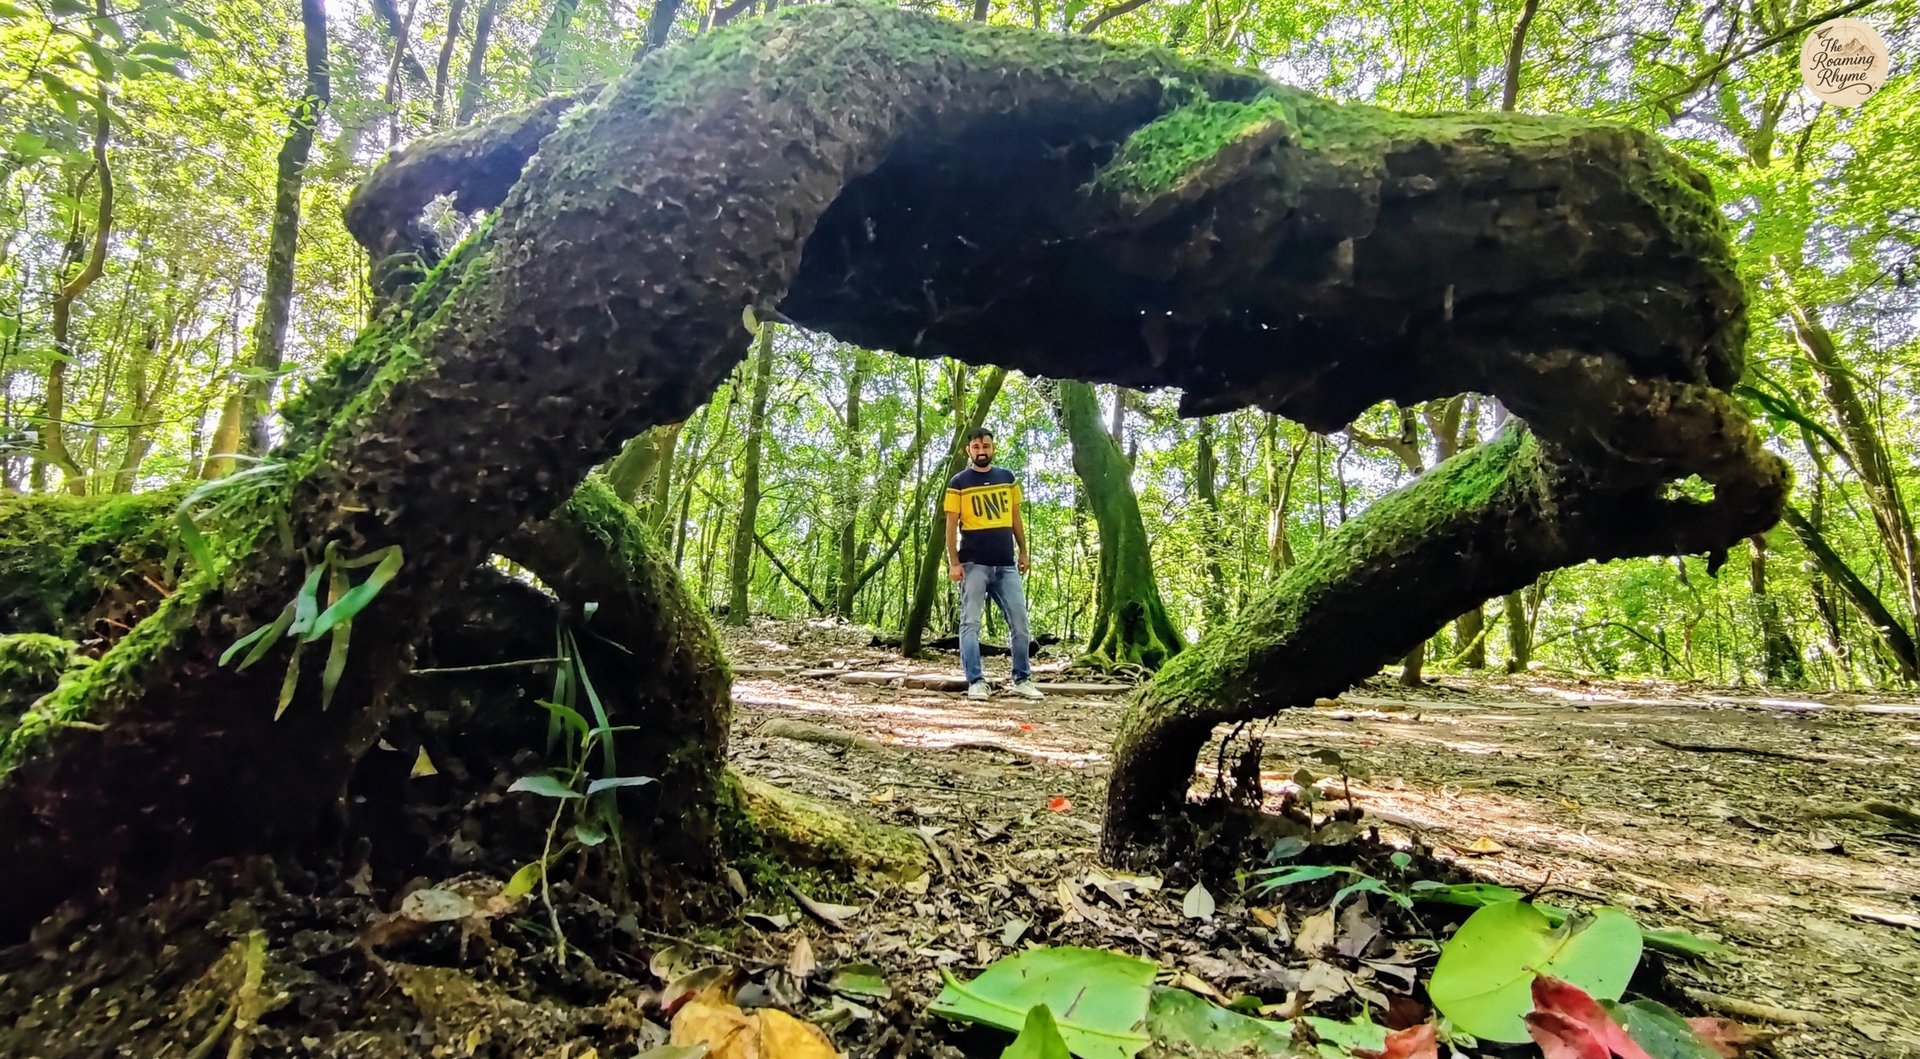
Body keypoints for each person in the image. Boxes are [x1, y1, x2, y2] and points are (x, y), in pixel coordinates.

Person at [944, 428, 1045, 701]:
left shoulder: (1007, 478)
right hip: (974, 564)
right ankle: (976, 681)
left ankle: (1022, 680)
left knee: (1021, 624)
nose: (981, 451)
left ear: (993, 448)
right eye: (976, 447)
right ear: (969, 451)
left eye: (985, 446)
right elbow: (951, 526)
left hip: (1006, 564)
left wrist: (1024, 552)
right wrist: (954, 562)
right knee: (970, 624)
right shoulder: (959, 482)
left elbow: (1015, 518)